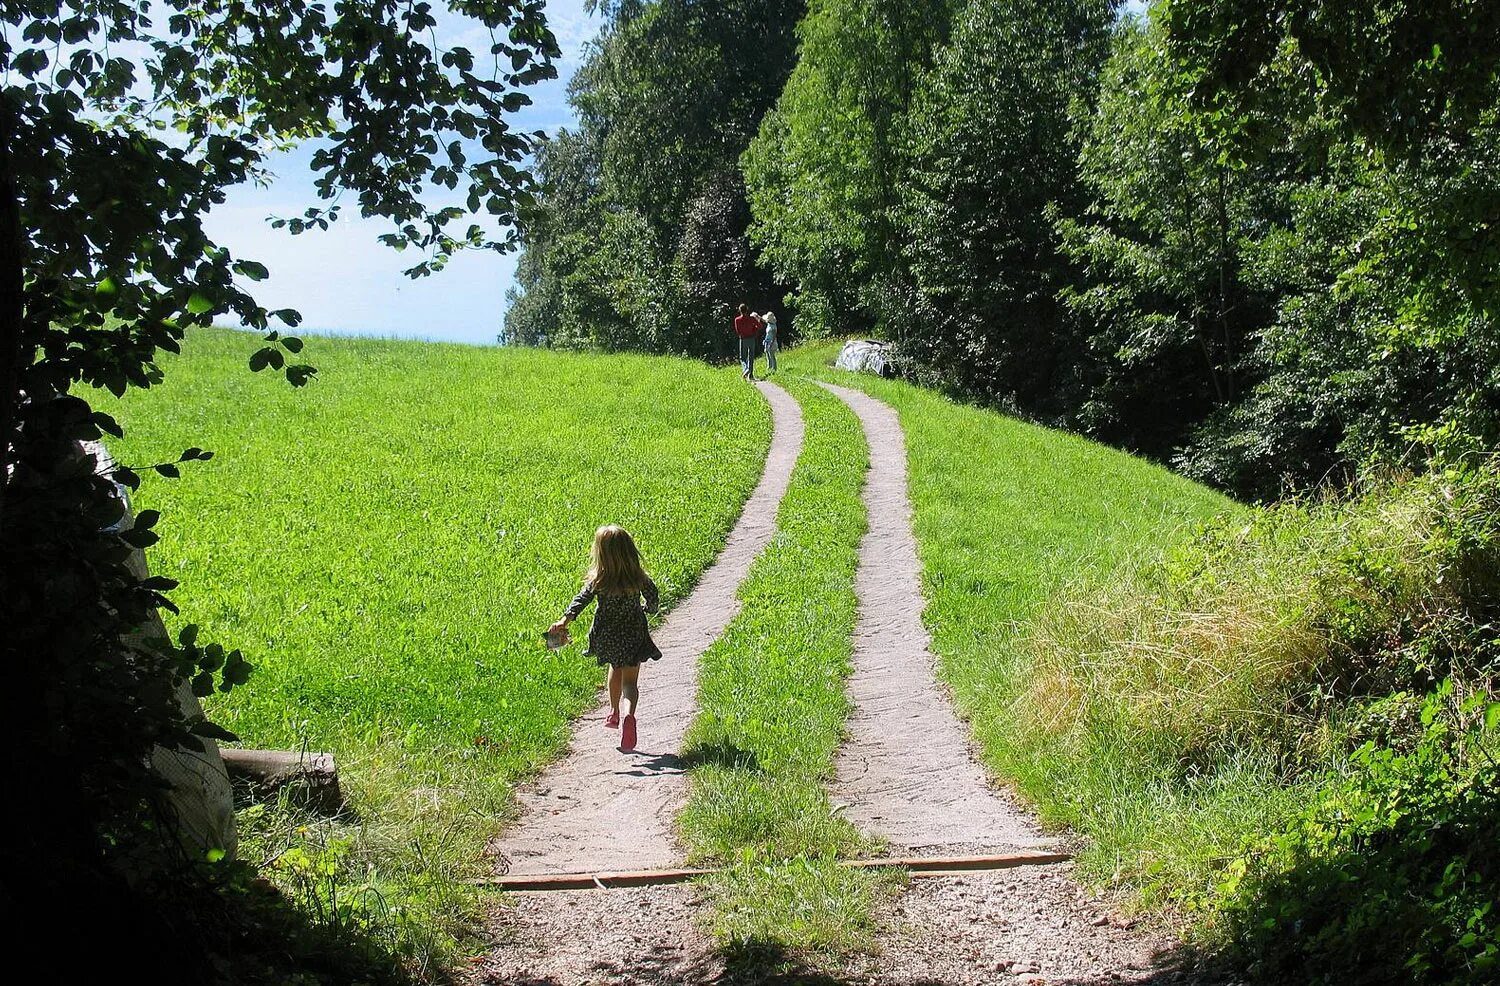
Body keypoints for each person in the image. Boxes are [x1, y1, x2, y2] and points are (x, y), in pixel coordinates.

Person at [548, 524, 661, 752]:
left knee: (614, 668)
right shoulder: (638, 577)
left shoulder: (599, 580)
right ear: (629, 550)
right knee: (630, 682)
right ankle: (629, 714)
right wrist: (650, 608)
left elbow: (580, 601)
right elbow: (653, 596)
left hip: (608, 634)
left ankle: (614, 712)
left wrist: (564, 621)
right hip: (633, 632)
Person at [733, 303, 762, 380]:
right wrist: (754, 331)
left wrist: (742, 335)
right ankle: (751, 375)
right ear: (747, 310)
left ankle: (746, 369)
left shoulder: (737, 320)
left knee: (742, 357)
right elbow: (759, 326)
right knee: (751, 356)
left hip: (743, 339)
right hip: (751, 339)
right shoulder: (751, 318)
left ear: (740, 310)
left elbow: (738, 331)